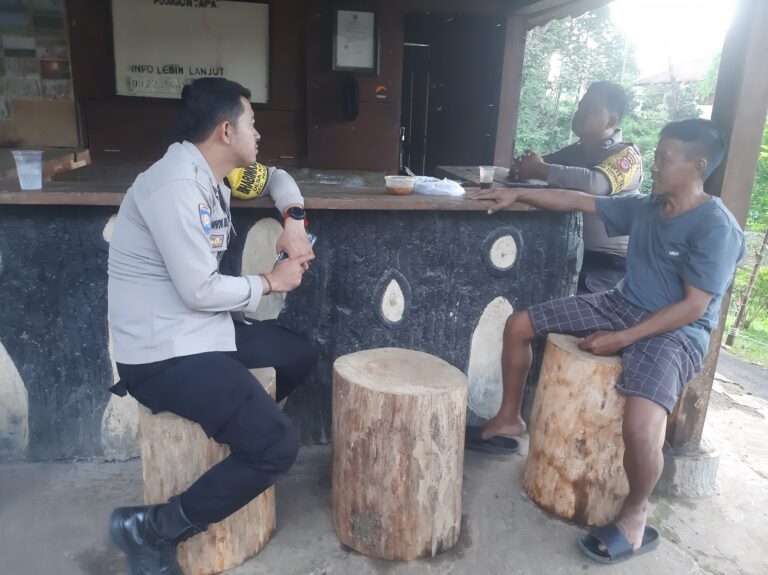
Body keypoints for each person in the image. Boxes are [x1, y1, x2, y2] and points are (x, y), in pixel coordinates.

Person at [472, 118, 744, 563]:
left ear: (697, 167)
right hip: (621, 304)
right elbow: (577, 199)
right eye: (656, 156)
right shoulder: (649, 207)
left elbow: (694, 307)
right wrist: (517, 194)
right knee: (519, 324)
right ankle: (507, 420)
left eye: (664, 158)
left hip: (675, 332)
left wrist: (623, 337)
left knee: (640, 428)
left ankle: (635, 515)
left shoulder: (716, 227)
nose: (653, 165)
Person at [106, 77, 317, 574]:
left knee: (300, 355)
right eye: (252, 123)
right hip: (162, 354)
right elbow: (198, 291)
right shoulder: (175, 187)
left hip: (202, 332)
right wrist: (271, 281)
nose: (258, 134)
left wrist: (293, 221)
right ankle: (151, 529)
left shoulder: (220, 174)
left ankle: (243, 435)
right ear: (226, 131)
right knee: (277, 446)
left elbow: (278, 178)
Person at [509, 81, 642, 293]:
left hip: (607, 265)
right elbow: (536, 170)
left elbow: (595, 184)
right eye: (581, 106)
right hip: (565, 252)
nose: (581, 113)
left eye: (591, 109)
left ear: (611, 121)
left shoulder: (626, 156)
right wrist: (524, 169)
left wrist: (539, 169)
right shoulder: (575, 151)